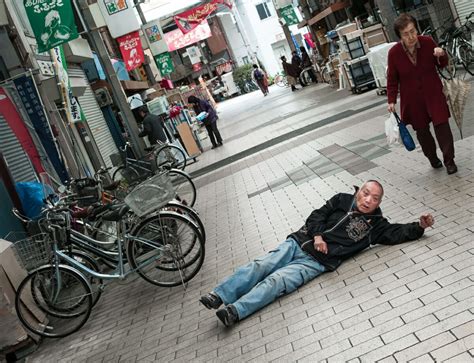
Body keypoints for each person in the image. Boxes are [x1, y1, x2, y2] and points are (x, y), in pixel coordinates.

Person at [199, 180, 434, 327]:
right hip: (299, 242)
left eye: (374, 198)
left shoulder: (376, 226)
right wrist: (318, 236)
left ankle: (235, 312)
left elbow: (397, 233)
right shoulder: (342, 199)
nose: (367, 200)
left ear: (379, 202)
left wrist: (419, 226)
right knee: (261, 265)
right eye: (365, 193)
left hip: (315, 263)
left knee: (277, 281)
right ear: (359, 191)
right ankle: (219, 295)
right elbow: (316, 216)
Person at [387, 13, 457, 174]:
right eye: (406, 34)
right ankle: (432, 158)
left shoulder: (427, 42)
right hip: (413, 100)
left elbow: (442, 64)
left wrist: (441, 55)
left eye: (413, 31)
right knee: (422, 132)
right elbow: (392, 79)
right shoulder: (394, 53)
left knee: (442, 126)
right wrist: (391, 100)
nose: (411, 36)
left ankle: (449, 160)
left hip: (433, 93)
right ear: (400, 36)